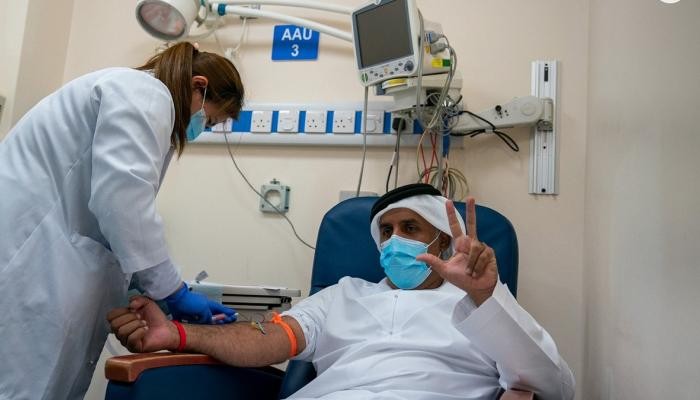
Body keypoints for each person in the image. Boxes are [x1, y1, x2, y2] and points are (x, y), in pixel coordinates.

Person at [108, 184, 575, 400]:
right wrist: (178, 334)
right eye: (386, 232)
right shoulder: (344, 294)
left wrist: (485, 297)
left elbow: (555, 386)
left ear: (444, 241)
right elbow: (267, 337)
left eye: (411, 228)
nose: (394, 241)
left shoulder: (482, 305)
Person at [0, 42, 244, 399]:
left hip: (46, 261)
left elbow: (114, 213)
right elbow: (122, 201)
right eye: (209, 118)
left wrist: (140, 286)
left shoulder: (138, 98)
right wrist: (172, 291)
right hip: (32, 261)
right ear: (198, 86)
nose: (201, 128)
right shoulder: (145, 93)